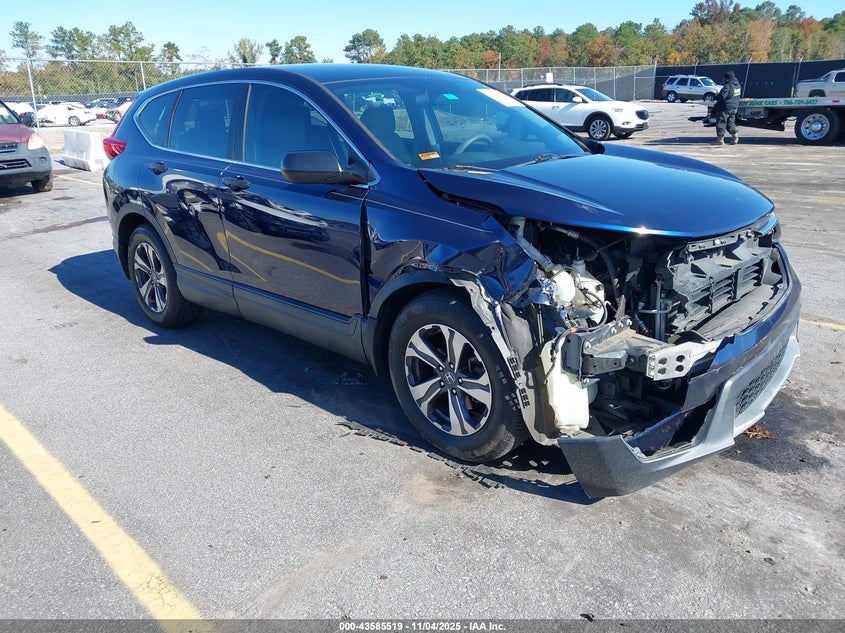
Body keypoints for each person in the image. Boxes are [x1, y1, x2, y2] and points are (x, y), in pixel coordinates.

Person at [712, 70, 742, 145]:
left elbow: (722, 96)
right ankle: (735, 138)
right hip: (734, 107)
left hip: (725, 108)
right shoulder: (737, 85)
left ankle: (720, 140)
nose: (723, 80)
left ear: (727, 78)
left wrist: (715, 97)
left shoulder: (728, 86)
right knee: (731, 123)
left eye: (724, 78)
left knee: (721, 122)